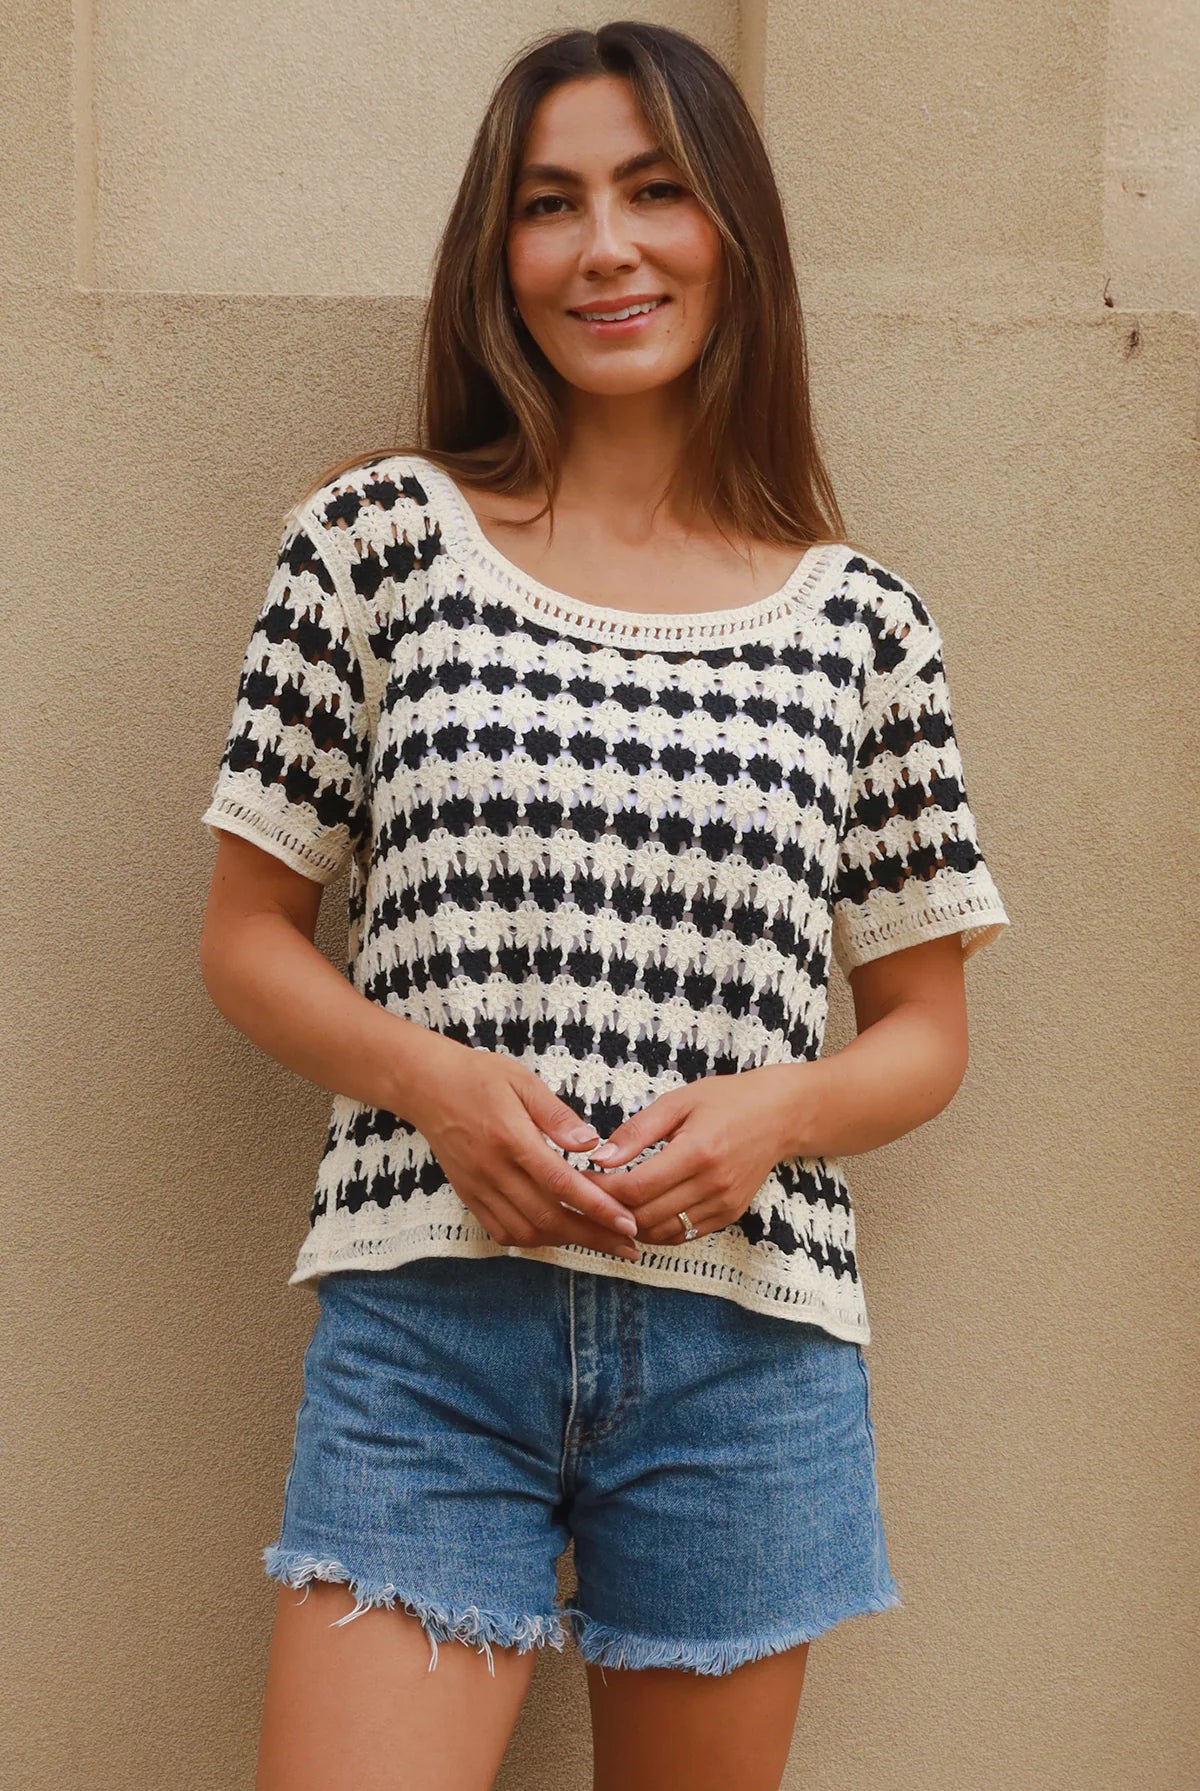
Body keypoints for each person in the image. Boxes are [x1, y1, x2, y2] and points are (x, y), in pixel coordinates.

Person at [199, 21, 1010, 1791]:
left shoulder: (860, 625)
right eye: (551, 205)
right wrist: (431, 1082)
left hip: (748, 1346)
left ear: (734, 230)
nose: (606, 247)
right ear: (501, 255)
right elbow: (245, 939)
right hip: (427, 1330)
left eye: (656, 192)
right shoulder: (377, 547)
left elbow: (928, 1033)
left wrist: (776, 1115)